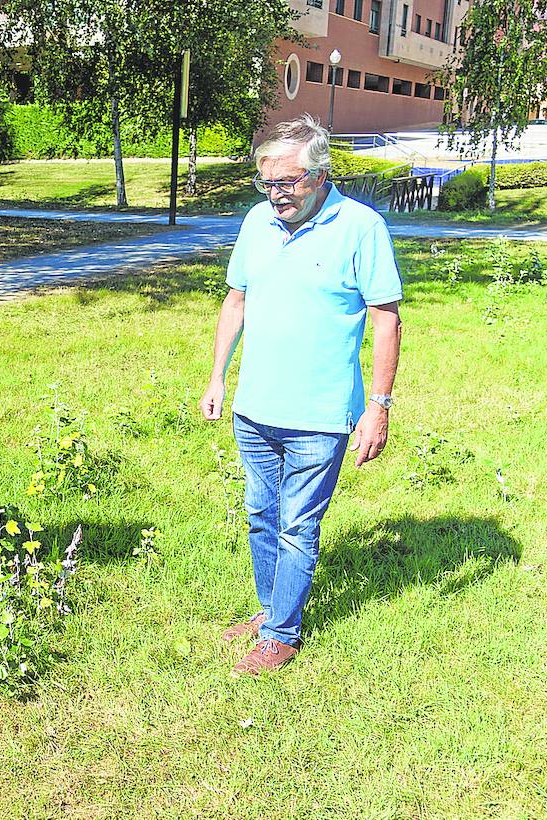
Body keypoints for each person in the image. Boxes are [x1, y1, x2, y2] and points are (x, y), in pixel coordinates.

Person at [199, 115, 403, 676]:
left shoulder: (362, 228)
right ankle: (271, 613)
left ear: (320, 174)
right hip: (254, 407)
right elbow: (235, 301)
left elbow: (387, 320)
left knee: (297, 526)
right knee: (262, 516)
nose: (275, 195)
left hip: (320, 414)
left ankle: (282, 635)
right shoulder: (256, 222)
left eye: (287, 182)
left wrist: (377, 409)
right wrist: (218, 376)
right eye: (266, 184)